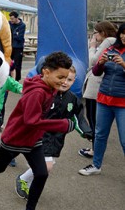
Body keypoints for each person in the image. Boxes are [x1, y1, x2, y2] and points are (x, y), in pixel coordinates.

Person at [0, 52, 76, 210]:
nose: (63, 81)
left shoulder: (49, 86)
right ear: (46, 72)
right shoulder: (37, 92)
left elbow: (37, 121)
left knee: (41, 173)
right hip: (16, 138)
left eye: (66, 78)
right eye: (60, 77)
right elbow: (31, 120)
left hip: (33, 139)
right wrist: (62, 124)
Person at [16, 66, 92, 198]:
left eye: (69, 79)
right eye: (62, 78)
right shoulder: (46, 93)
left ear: (74, 81)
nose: (65, 82)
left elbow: (78, 117)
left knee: (45, 165)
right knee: (46, 166)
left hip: (56, 138)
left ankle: (27, 180)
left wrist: (87, 132)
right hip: (39, 135)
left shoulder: (73, 99)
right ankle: (23, 179)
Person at [79, 23, 125, 176]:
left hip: (122, 103)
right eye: (122, 33)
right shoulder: (111, 48)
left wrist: (123, 64)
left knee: (124, 139)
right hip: (104, 98)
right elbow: (97, 72)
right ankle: (96, 165)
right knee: (100, 134)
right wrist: (101, 62)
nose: (124, 36)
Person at [9, 11, 26, 81]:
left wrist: (13, 34)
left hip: (18, 47)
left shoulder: (22, 25)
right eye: (10, 18)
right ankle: (9, 77)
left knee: (17, 64)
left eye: (12, 19)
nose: (11, 20)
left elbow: (20, 37)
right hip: (10, 46)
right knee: (9, 62)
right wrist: (15, 33)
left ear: (17, 18)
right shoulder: (9, 23)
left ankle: (17, 79)